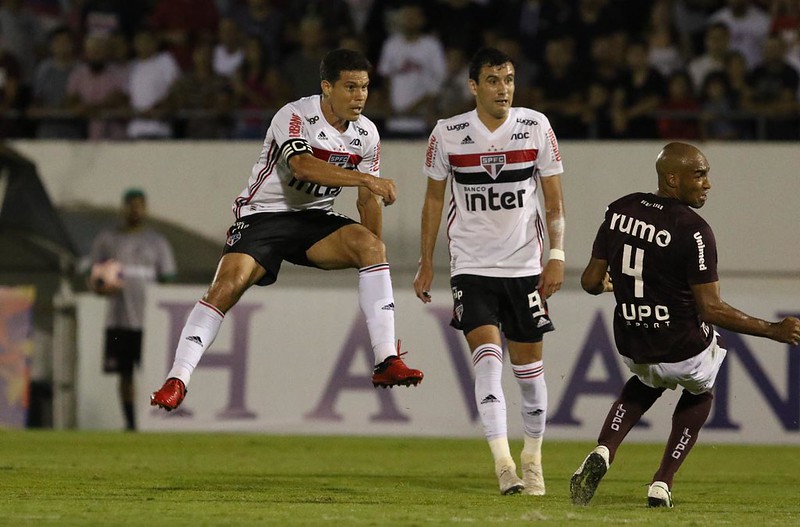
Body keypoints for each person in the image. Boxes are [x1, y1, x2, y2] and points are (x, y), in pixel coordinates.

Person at [150, 48, 423, 412]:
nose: (359, 96)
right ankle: (177, 379)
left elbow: (365, 202)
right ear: (327, 87)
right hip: (263, 216)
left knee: (372, 247)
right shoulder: (294, 115)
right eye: (350, 87)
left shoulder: (367, 135)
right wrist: (366, 179)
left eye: (365, 87)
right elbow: (302, 167)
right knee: (226, 287)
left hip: (313, 221)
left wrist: (372, 254)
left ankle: (387, 360)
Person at [571, 142, 800, 508]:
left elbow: (589, 281)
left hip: (633, 341)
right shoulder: (693, 230)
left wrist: (605, 285)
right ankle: (662, 481)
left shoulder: (620, 209)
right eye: (699, 174)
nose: (708, 183)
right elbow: (710, 309)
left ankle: (604, 449)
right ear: (672, 178)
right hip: (681, 343)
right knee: (701, 388)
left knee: (647, 380)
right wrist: (772, 330)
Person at [414, 47, 565, 496]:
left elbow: (554, 200)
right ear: (473, 86)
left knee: (530, 374)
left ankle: (533, 458)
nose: (504, 89)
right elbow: (433, 201)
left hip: (524, 267)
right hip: (472, 267)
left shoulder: (535, 125)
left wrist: (556, 255)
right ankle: (503, 464)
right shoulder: (448, 133)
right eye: (494, 81)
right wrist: (427, 262)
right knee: (487, 362)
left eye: (510, 80)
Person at [89, 189, 177, 431]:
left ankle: (157, 419)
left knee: (157, 372)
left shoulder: (157, 242)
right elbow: (95, 279)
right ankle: (131, 423)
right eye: (131, 205)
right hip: (119, 319)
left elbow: (168, 280)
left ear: (145, 208)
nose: (136, 209)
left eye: (140, 205)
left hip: (150, 321)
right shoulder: (107, 240)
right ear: (123, 208)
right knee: (125, 373)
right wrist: (101, 287)